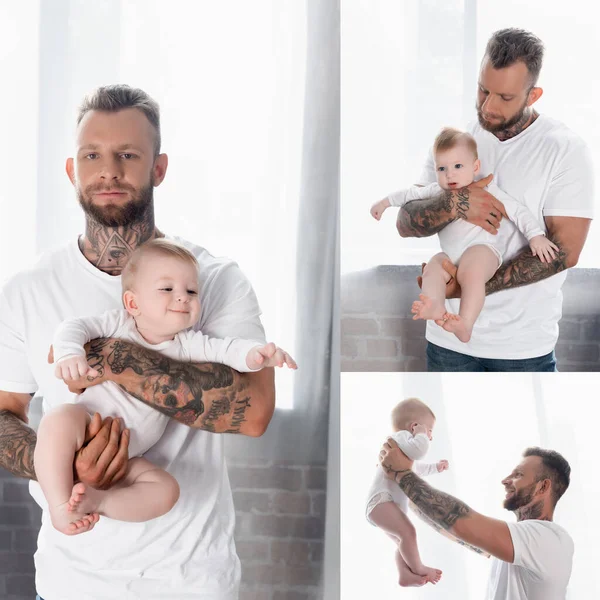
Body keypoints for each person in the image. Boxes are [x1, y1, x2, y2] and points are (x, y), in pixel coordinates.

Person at [0, 85, 278, 599]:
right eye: (92, 155)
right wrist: (66, 465)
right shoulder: (27, 289)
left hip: (191, 579)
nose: (109, 170)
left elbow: (255, 411)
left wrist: (116, 357)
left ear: (159, 168)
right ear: (71, 170)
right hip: (70, 581)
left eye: (128, 154)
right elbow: (4, 411)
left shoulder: (211, 280)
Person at [36, 239, 296, 535]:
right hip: (86, 421)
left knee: (166, 490)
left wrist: (258, 355)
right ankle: (59, 506)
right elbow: (73, 327)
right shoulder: (119, 324)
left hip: (131, 455)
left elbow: (228, 351)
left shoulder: (188, 344)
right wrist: (71, 352)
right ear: (133, 303)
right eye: (167, 289)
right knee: (57, 420)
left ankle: (100, 501)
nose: (183, 297)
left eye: (191, 291)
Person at [391, 28, 594, 371]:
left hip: (522, 347)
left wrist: (465, 287)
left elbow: (565, 252)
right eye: (483, 90)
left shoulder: (565, 150)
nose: (487, 106)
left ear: (533, 95)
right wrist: (456, 204)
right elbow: (406, 223)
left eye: (504, 96)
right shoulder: (458, 143)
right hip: (446, 343)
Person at [371, 127, 557, 343]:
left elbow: (516, 211)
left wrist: (536, 235)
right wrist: (384, 203)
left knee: (471, 273)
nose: (450, 174)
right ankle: (436, 307)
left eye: (458, 166)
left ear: (474, 167)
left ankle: (465, 323)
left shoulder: (488, 189)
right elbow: (409, 195)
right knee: (433, 267)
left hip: (483, 250)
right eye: (442, 168)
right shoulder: (437, 191)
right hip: (451, 254)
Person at [379, 442, 573, 599]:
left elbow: (462, 522)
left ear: (542, 487)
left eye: (518, 475)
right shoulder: (522, 543)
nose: (505, 480)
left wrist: (402, 473)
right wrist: (397, 484)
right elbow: (452, 528)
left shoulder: (550, 538)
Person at [365, 398, 446, 587]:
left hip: (383, 505)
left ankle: (404, 574)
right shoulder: (399, 437)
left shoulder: (403, 451)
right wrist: (422, 435)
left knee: (403, 542)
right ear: (414, 426)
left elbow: (417, 467)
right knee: (408, 533)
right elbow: (419, 452)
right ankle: (419, 568)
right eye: (429, 431)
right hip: (381, 501)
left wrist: (437, 467)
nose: (430, 437)